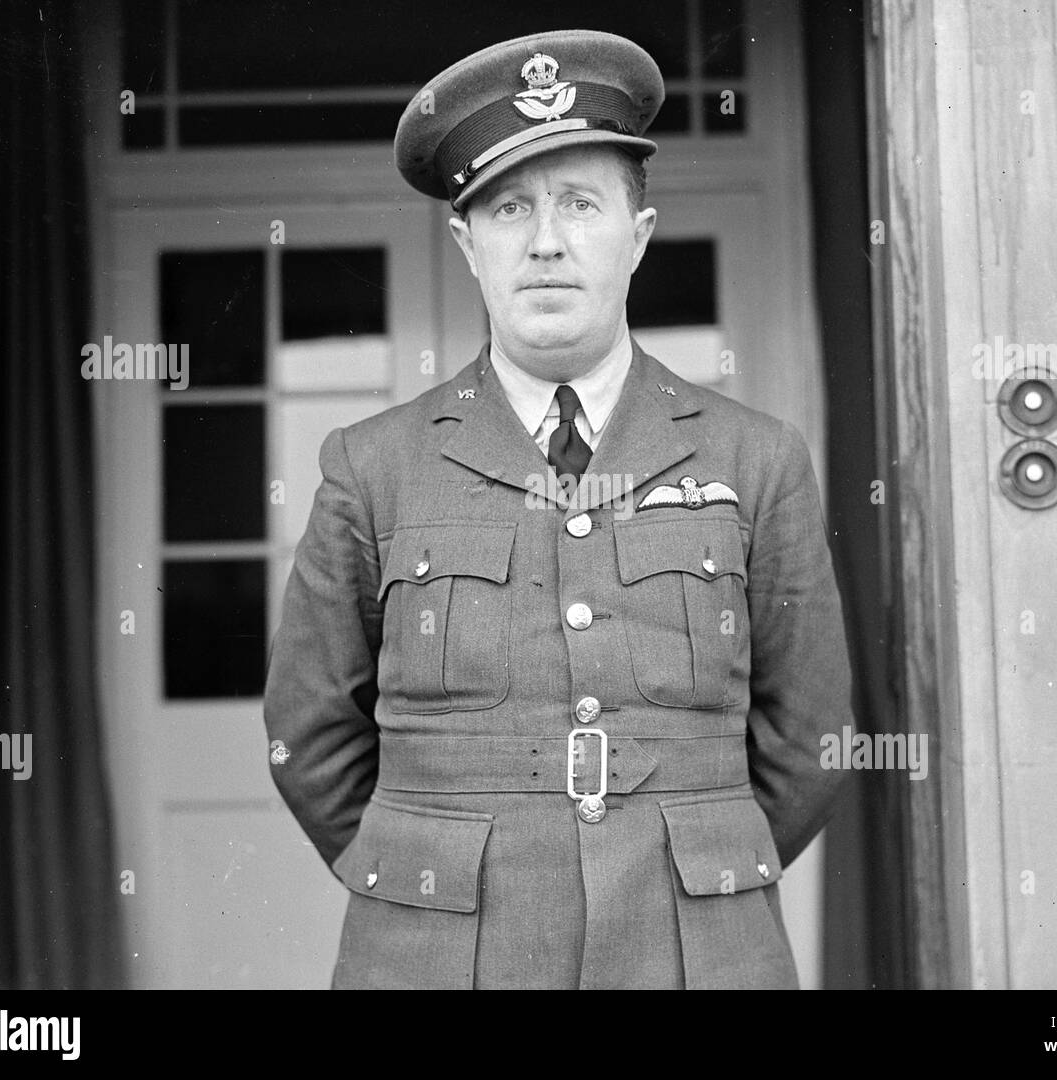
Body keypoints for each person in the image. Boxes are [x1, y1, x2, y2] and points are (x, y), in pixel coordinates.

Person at [263, 27, 853, 990]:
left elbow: (812, 736)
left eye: (581, 205)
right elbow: (310, 735)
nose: (545, 242)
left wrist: (699, 869)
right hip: (440, 955)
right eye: (508, 209)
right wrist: (428, 873)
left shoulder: (756, 457)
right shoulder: (373, 466)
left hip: (696, 954)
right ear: (466, 243)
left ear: (639, 234)